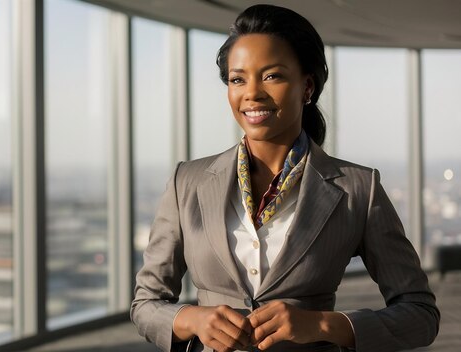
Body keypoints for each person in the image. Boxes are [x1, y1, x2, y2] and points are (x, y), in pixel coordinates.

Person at [130, 4, 439, 352]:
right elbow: (145, 305)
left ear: (307, 87)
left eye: (272, 75)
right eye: (237, 79)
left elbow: (420, 315)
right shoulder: (186, 182)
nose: (252, 93)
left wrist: (323, 324)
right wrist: (192, 319)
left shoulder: (357, 189)